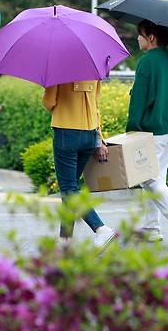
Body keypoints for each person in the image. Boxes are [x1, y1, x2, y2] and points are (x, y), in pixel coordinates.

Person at [126, 20, 168, 242]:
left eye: (140, 34)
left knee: (145, 175)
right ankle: (151, 229)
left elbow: (139, 100)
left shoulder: (147, 62)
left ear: (151, 37)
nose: (138, 38)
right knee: (157, 176)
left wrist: (132, 129)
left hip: (155, 129)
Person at [42, 79, 117, 249]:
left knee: (69, 189)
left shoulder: (58, 69)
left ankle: (101, 228)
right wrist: (99, 139)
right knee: (71, 189)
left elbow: (49, 102)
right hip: (90, 135)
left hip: (66, 133)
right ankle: (65, 239)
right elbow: (96, 105)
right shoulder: (94, 70)